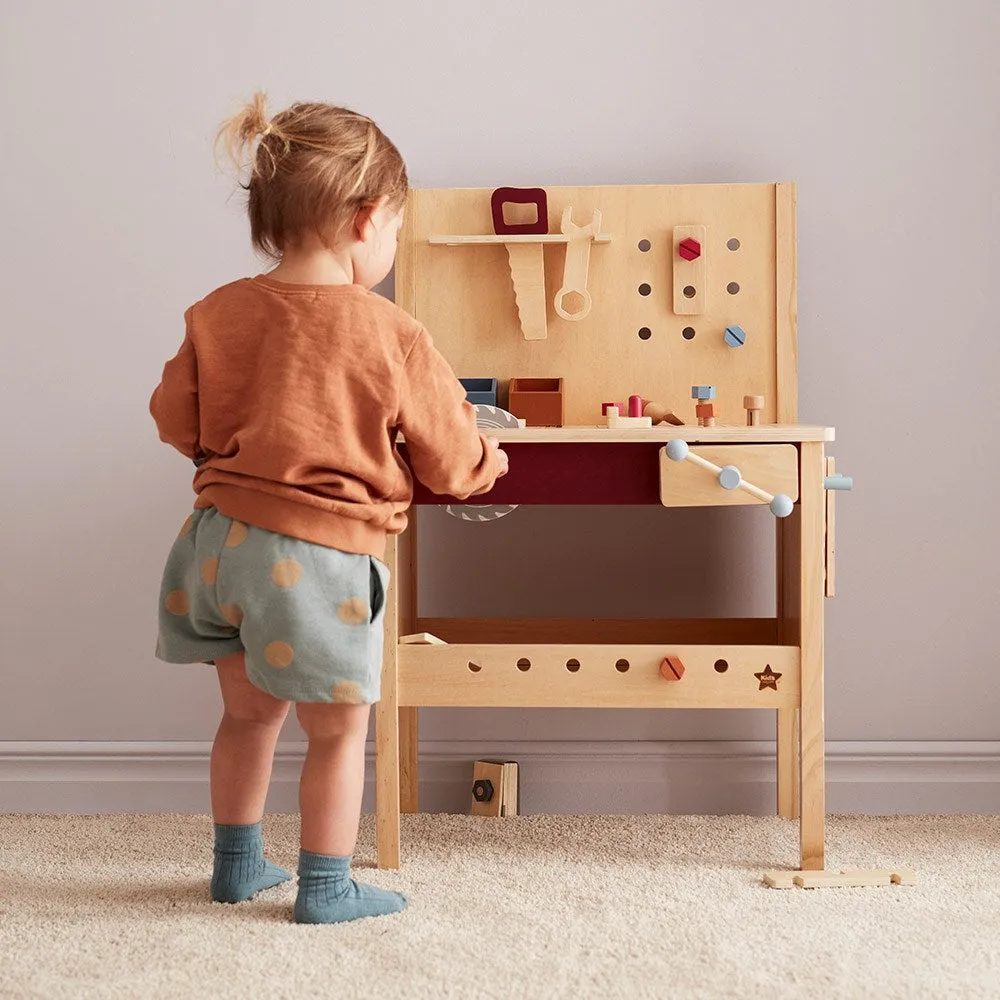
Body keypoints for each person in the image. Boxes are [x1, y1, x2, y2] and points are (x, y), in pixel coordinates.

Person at [150, 94, 507, 924]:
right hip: (313, 563)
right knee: (339, 731)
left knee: (247, 716)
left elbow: (174, 418)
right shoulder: (390, 332)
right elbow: (450, 464)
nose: (389, 248)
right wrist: (489, 459)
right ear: (366, 216)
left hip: (213, 549)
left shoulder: (217, 312)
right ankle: (326, 885)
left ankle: (237, 866)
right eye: (393, 233)